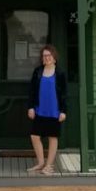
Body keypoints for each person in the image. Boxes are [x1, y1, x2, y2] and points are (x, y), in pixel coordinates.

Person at [27, 43, 67, 175]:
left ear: (54, 56)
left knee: (52, 137)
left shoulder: (60, 73)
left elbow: (64, 94)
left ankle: (49, 166)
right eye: (44, 55)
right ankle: (40, 163)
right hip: (39, 110)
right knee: (34, 136)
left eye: (49, 55)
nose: (47, 57)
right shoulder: (37, 71)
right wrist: (31, 107)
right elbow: (32, 91)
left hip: (54, 111)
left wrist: (63, 111)